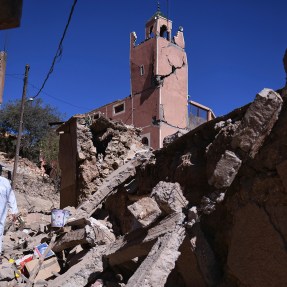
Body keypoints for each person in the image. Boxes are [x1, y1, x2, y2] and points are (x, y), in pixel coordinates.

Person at [0, 167, 18, 263]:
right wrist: (14, 211)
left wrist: (14, 211)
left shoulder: (5, 182)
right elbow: (11, 197)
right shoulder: (5, 182)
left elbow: (11, 196)